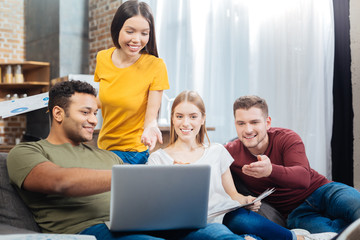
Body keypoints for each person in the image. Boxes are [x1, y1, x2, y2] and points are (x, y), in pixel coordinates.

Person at [6, 80, 254, 240]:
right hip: (92, 230)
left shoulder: (108, 156)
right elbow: (61, 182)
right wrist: (134, 178)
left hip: (141, 224)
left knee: (217, 233)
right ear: (58, 113)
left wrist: (171, 183)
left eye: (95, 113)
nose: (94, 120)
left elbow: (145, 193)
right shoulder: (27, 152)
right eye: (85, 112)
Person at [147, 90, 325, 240]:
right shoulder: (158, 159)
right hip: (184, 222)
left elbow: (233, 194)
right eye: (179, 116)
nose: (186, 123)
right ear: (172, 119)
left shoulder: (216, 151)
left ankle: (297, 237)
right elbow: (153, 206)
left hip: (222, 215)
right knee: (219, 233)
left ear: (202, 119)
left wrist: (246, 201)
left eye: (193, 116)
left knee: (245, 220)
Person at [225, 95, 360, 234]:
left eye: (254, 122)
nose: (247, 129)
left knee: (356, 205)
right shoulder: (228, 153)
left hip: (322, 191)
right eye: (241, 123)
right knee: (335, 233)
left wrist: (270, 170)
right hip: (296, 213)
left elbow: (303, 179)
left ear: (267, 122)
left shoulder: (286, 138)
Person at [94, 0, 170, 164]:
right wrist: (71, 104)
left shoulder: (155, 66)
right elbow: (103, 99)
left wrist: (151, 127)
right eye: (130, 31)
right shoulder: (102, 58)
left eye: (144, 33)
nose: (137, 39)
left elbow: (151, 117)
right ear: (117, 29)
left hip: (133, 153)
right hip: (103, 149)